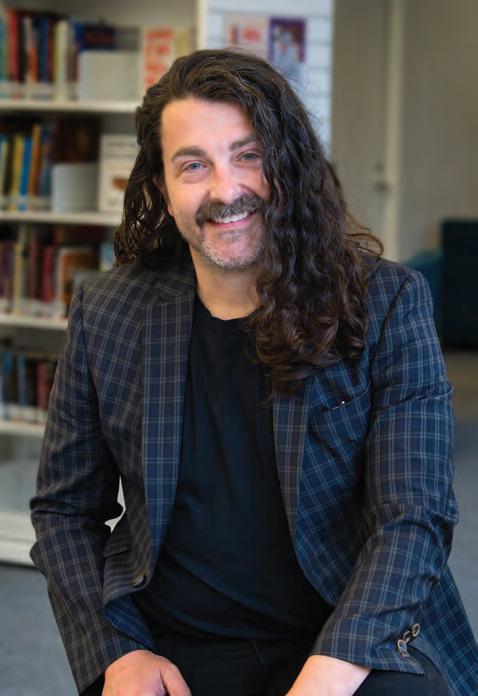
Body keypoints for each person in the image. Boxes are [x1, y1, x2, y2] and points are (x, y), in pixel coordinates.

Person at [30, 49, 477, 696]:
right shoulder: (108, 312)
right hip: (174, 645)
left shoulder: (386, 303)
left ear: (287, 165)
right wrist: (116, 652)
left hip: (346, 636)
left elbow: (414, 516)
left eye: (248, 155)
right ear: (161, 189)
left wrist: (331, 672)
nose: (225, 189)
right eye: (193, 165)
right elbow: (65, 510)